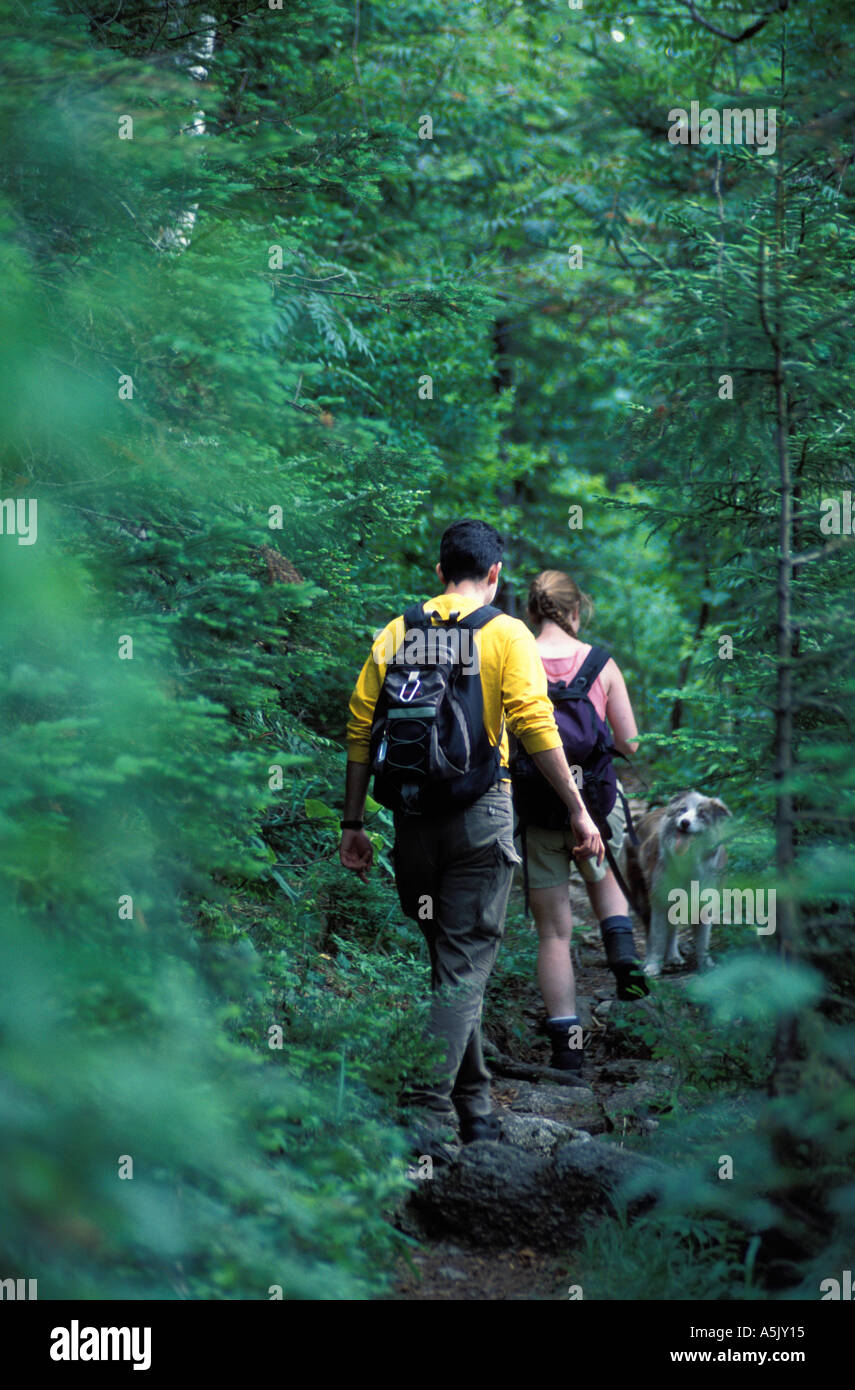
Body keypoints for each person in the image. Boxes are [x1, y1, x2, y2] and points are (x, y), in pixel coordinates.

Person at [339, 521, 604, 1159]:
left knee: (455, 967)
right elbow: (535, 723)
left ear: (438, 573)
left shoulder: (398, 630)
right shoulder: (505, 632)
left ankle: (477, 1110)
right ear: (494, 575)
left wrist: (351, 823)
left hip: (411, 823)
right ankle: (426, 1119)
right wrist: (578, 810)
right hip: (481, 820)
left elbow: (358, 729)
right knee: (462, 970)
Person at [523, 569, 646, 1074]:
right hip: (594, 803)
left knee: (554, 933)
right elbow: (632, 744)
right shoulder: (601, 663)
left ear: (532, 612)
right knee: (604, 880)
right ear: (575, 613)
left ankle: (567, 1051)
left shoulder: (515, 657)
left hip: (539, 805)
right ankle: (623, 955)